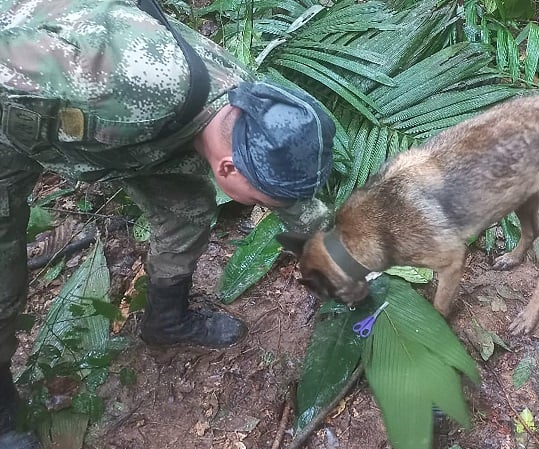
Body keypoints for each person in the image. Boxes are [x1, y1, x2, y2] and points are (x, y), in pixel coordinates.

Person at [0, 0, 336, 446]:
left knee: (187, 210)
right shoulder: (115, 86)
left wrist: (339, 256)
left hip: (129, 137)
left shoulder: (248, 110)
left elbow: (288, 199)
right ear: (229, 168)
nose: (264, 206)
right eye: (259, 200)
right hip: (13, 117)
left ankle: (166, 319)